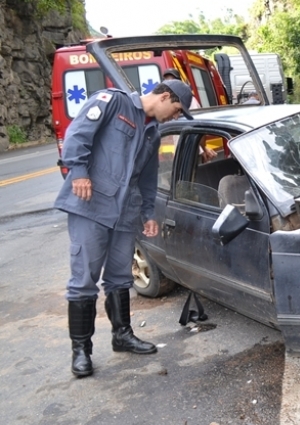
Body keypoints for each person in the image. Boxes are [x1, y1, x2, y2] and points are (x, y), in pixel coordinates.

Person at [54, 79, 194, 378]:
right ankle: (81, 351)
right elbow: (77, 135)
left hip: (125, 212)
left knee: (120, 277)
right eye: (177, 109)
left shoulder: (153, 131)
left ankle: (122, 336)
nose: (175, 116)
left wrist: (147, 213)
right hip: (91, 203)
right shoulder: (112, 102)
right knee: (84, 279)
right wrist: (78, 172)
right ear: (165, 96)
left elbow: (147, 176)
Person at [162, 68, 216, 163]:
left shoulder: (190, 101)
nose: (169, 84)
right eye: (166, 81)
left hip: (192, 151)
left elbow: (198, 125)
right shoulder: (167, 103)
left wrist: (203, 148)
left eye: (172, 81)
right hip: (180, 153)